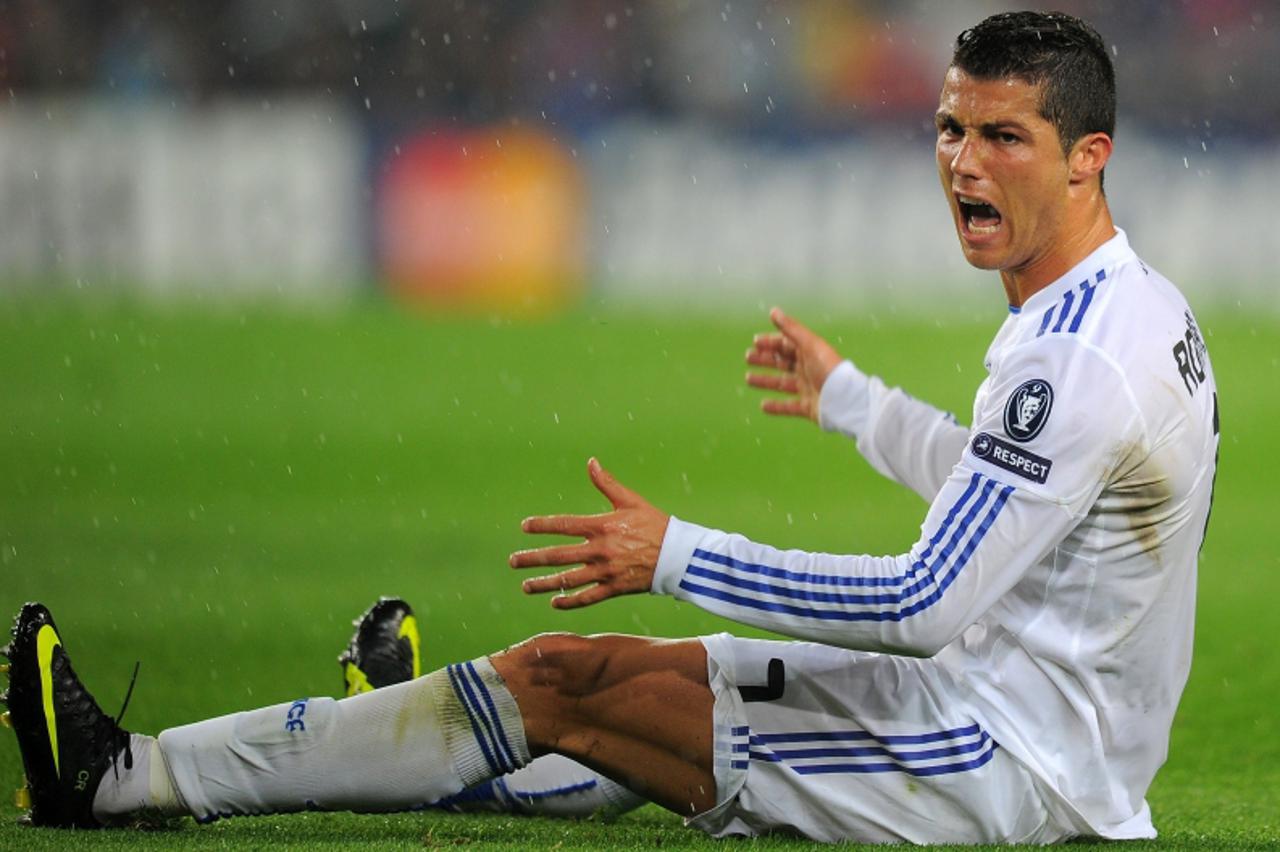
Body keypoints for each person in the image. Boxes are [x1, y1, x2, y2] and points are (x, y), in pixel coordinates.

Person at [2, 10, 1218, 843]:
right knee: (586, 688)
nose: (961, 162)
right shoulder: (1123, 305)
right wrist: (854, 405)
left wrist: (670, 553)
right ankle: (400, 732)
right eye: (950, 128)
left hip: (1001, 765)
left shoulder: (1073, 356)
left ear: (1084, 159)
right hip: (1006, 714)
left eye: (1001, 136)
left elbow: (922, 603)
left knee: (567, 691)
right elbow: (1013, 500)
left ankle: (124, 778)